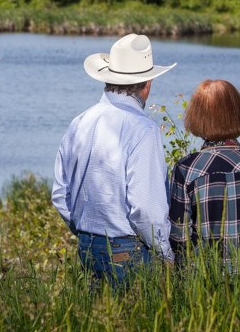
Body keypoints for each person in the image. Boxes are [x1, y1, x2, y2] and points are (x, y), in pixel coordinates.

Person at [52, 33, 176, 288]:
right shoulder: (143, 129)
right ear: (148, 84)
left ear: (108, 80)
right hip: (128, 247)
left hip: (87, 245)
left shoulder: (80, 122)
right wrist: (166, 253)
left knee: (96, 325)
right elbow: (145, 208)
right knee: (136, 324)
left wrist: (84, 230)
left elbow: (60, 194)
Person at [169, 79, 240, 270]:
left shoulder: (186, 168)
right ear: (239, 113)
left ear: (197, 117)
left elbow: (178, 238)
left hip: (201, 281)